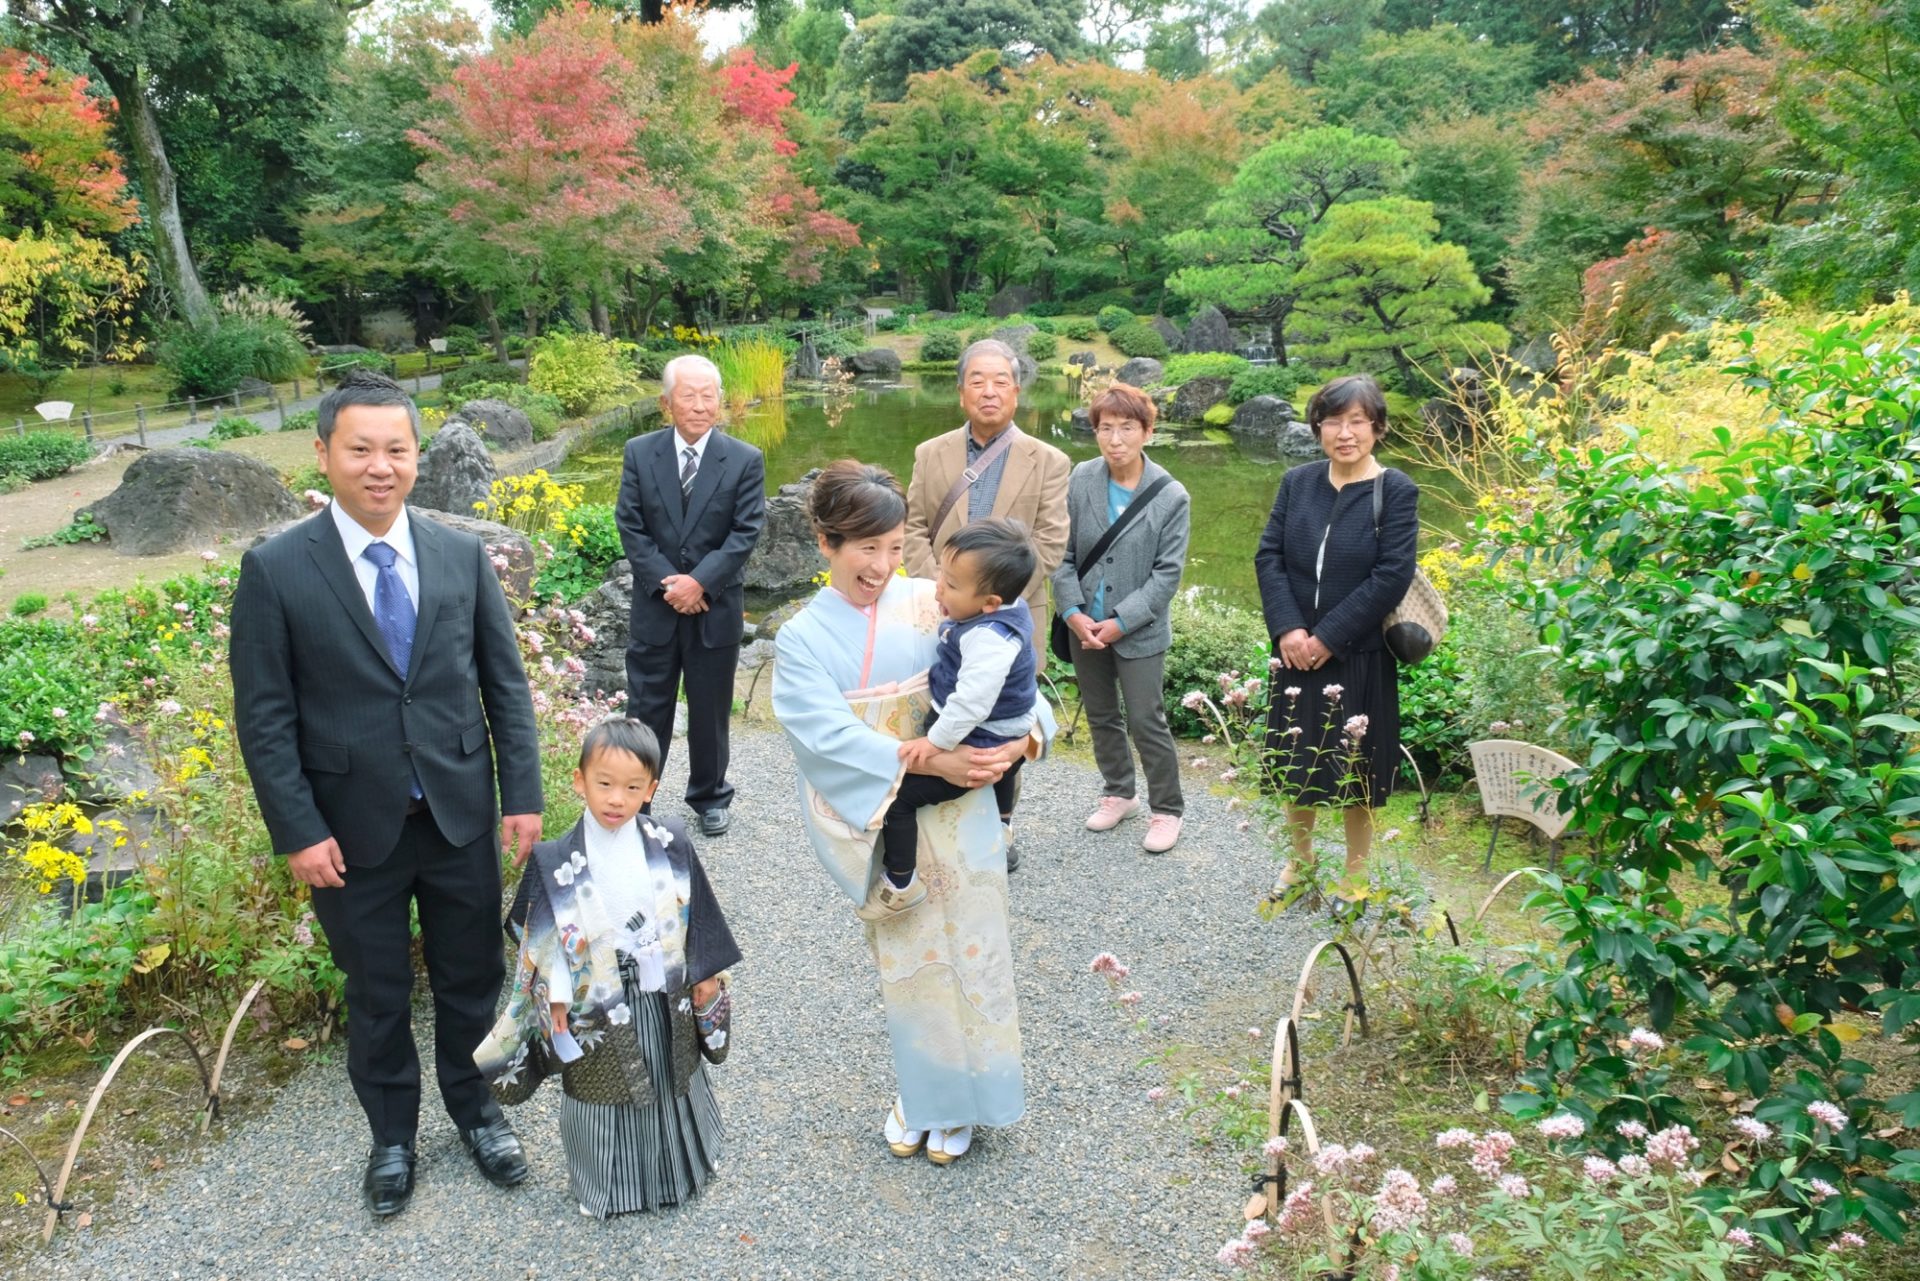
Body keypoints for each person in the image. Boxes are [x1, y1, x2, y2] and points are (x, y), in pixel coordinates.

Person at [229, 369, 543, 1218]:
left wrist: (523, 795)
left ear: (416, 455)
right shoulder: (276, 569)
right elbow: (263, 718)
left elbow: (503, 685)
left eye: (396, 448)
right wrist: (296, 828)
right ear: (324, 453)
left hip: (457, 811)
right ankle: (392, 1136)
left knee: (472, 974)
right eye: (360, 449)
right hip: (346, 827)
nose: (380, 465)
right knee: (373, 991)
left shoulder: (457, 552)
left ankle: (477, 1113)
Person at [772, 461, 1047, 1166]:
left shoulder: (938, 598)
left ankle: (980, 1096)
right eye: (867, 547)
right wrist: (934, 761)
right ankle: (929, 1099)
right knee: (914, 963)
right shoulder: (802, 637)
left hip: (964, 811)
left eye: (896, 546)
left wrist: (1023, 735)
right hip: (889, 803)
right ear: (826, 542)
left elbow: (1011, 674)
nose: (884, 565)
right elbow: (825, 736)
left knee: (978, 952)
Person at [474, 717, 740, 1220]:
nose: (617, 798)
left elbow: (698, 912)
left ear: (651, 789)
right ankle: (608, 1189)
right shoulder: (554, 859)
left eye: (632, 787)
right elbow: (540, 936)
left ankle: (678, 1174)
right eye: (604, 784)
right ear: (579, 781)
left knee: (671, 1077)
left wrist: (706, 973)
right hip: (592, 999)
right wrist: (553, 995)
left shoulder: (671, 840)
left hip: (665, 992)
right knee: (599, 1090)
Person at [1253, 374, 1419, 908]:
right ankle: (1299, 862)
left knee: (1359, 768)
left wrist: (1328, 636)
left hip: (1359, 653)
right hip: (1295, 651)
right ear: (1317, 427)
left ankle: (1356, 873)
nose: (1345, 433)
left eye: (1357, 421)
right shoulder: (1297, 481)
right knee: (1297, 761)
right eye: (1333, 421)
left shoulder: (1395, 490)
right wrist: (1289, 629)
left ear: (1377, 427)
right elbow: (1269, 557)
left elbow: (1392, 575)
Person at [902, 339, 1069, 867]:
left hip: (1008, 617)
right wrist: (943, 589)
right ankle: (944, 815)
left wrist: (984, 599)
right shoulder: (932, 453)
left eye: (1000, 381)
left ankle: (1000, 824)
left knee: (1004, 724)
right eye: (978, 380)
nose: (989, 390)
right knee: (946, 704)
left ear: (1017, 390)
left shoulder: (1049, 460)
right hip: (938, 607)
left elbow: (1048, 543)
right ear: (961, 391)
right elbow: (912, 527)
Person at [616, 353, 767, 837]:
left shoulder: (744, 459)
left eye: (709, 396)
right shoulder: (640, 452)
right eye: (689, 395)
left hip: (714, 608)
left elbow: (745, 532)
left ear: (720, 402)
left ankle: (709, 797)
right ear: (667, 402)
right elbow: (632, 526)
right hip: (656, 607)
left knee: (710, 711)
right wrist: (670, 583)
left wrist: (700, 582)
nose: (700, 405)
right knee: (646, 710)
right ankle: (636, 799)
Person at [872, 518, 1038, 921]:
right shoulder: (1005, 615)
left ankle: (900, 881)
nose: (938, 587)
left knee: (898, 799)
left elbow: (970, 704)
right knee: (1008, 762)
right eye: (941, 574)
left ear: (991, 603)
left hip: (981, 736)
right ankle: (1001, 824)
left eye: (950, 584)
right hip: (1010, 727)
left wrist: (936, 744)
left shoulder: (989, 638)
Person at [1052, 383, 1192, 855]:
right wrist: (1072, 612)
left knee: (1147, 719)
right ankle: (1118, 792)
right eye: (1105, 428)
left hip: (1139, 631)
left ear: (1147, 432)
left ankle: (1166, 809)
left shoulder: (1171, 496)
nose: (1115, 440)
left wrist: (1120, 622)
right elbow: (1061, 554)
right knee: (1101, 714)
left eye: (1126, 428)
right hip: (1082, 627)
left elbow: (1166, 575)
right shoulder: (1080, 478)